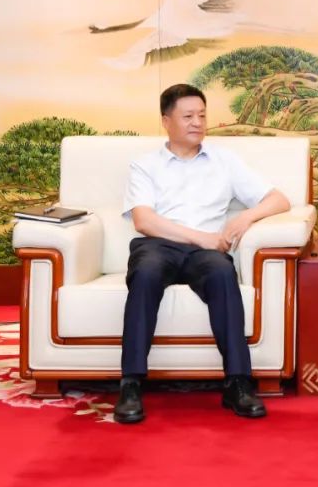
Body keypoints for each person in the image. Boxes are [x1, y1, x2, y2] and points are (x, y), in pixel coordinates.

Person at [115, 83, 291, 424]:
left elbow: (278, 199)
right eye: (188, 116)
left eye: (202, 115)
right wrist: (202, 238)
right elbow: (144, 221)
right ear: (166, 121)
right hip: (159, 245)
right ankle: (131, 383)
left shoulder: (225, 161)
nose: (197, 122)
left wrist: (246, 216)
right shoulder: (145, 165)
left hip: (206, 254)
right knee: (145, 274)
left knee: (223, 274)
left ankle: (238, 383)